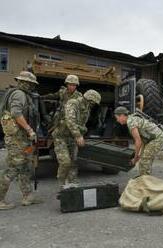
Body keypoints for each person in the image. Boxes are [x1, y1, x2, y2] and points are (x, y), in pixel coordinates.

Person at [0, 71, 42, 210]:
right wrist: (29, 129)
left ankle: (27, 196)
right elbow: (16, 113)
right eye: (30, 84)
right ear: (25, 83)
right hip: (17, 140)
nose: (31, 87)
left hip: (23, 139)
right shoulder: (19, 94)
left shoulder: (23, 95)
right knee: (12, 169)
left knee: (25, 168)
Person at [52, 89, 101, 188]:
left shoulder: (87, 108)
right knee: (65, 162)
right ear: (88, 99)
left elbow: (82, 123)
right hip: (61, 137)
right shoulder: (73, 103)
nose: (92, 104)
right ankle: (61, 183)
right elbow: (70, 121)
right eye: (92, 102)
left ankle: (73, 184)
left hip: (72, 137)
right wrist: (78, 135)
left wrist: (82, 131)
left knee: (74, 161)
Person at [114, 106, 163, 176]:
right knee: (143, 159)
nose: (117, 120)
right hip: (151, 139)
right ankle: (145, 179)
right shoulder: (131, 118)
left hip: (157, 138)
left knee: (144, 161)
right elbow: (142, 139)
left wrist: (135, 159)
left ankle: (145, 182)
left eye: (117, 118)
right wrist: (138, 155)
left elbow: (138, 141)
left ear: (122, 115)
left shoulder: (130, 122)